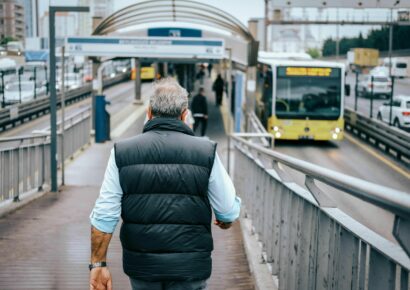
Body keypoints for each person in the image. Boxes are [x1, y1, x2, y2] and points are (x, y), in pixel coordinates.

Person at [89, 78, 241, 290]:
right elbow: (227, 210)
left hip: (143, 267)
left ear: (149, 112)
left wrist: (98, 264)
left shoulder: (122, 152)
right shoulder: (206, 151)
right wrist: (225, 220)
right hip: (190, 268)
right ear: (185, 115)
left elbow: (105, 215)